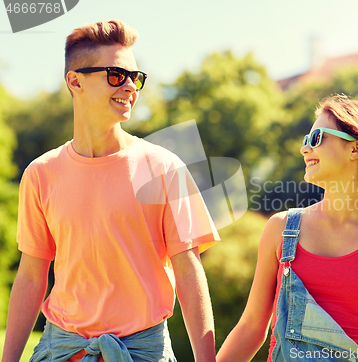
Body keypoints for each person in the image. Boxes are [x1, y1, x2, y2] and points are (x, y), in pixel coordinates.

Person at [2, 20, 219, 362]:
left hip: (142, 353)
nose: (130, 86)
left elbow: (189, 273)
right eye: (117, 75)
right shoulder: (40, 174)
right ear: (75, 82)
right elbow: (31, 278)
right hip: (60, 351)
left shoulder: (164, 167)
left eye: (136, 77)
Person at [217, 95, 358, 361]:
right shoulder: (280, 228)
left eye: (316, 138)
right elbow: (251, 327)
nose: (305, 149)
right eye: (306, 141)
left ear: (356, 149)